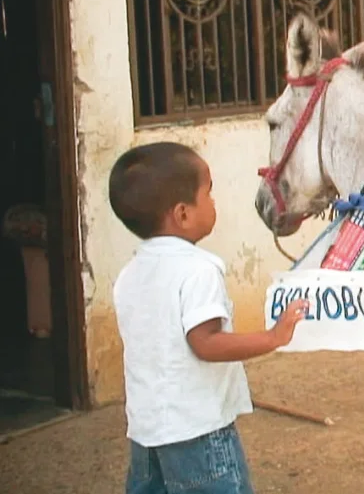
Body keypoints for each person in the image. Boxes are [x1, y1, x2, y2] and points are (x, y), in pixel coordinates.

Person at [108, 141, 309, 494]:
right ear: (183, 214)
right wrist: (273, 336)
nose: (214, 202)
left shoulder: (130, 273)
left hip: (147, 432)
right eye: (209, 193)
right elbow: (206, 342)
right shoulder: (198, 270)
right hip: (198, 432)